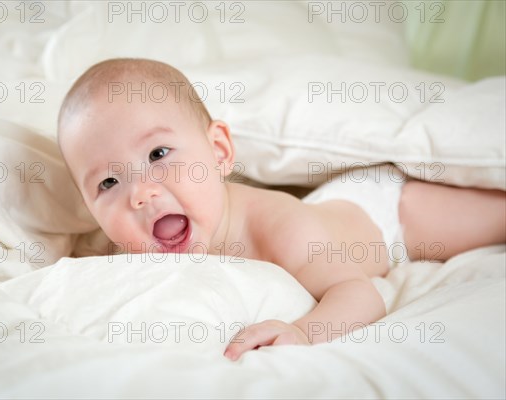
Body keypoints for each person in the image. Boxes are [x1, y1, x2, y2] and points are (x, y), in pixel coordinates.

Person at [57, 58, 506, 361]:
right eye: (109, 182)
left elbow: (360, 294)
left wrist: (306, 333)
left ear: (218, 151)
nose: (140, 193)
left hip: (388, 216)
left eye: (158, 155)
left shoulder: (274, 225)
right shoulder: (129, 256)